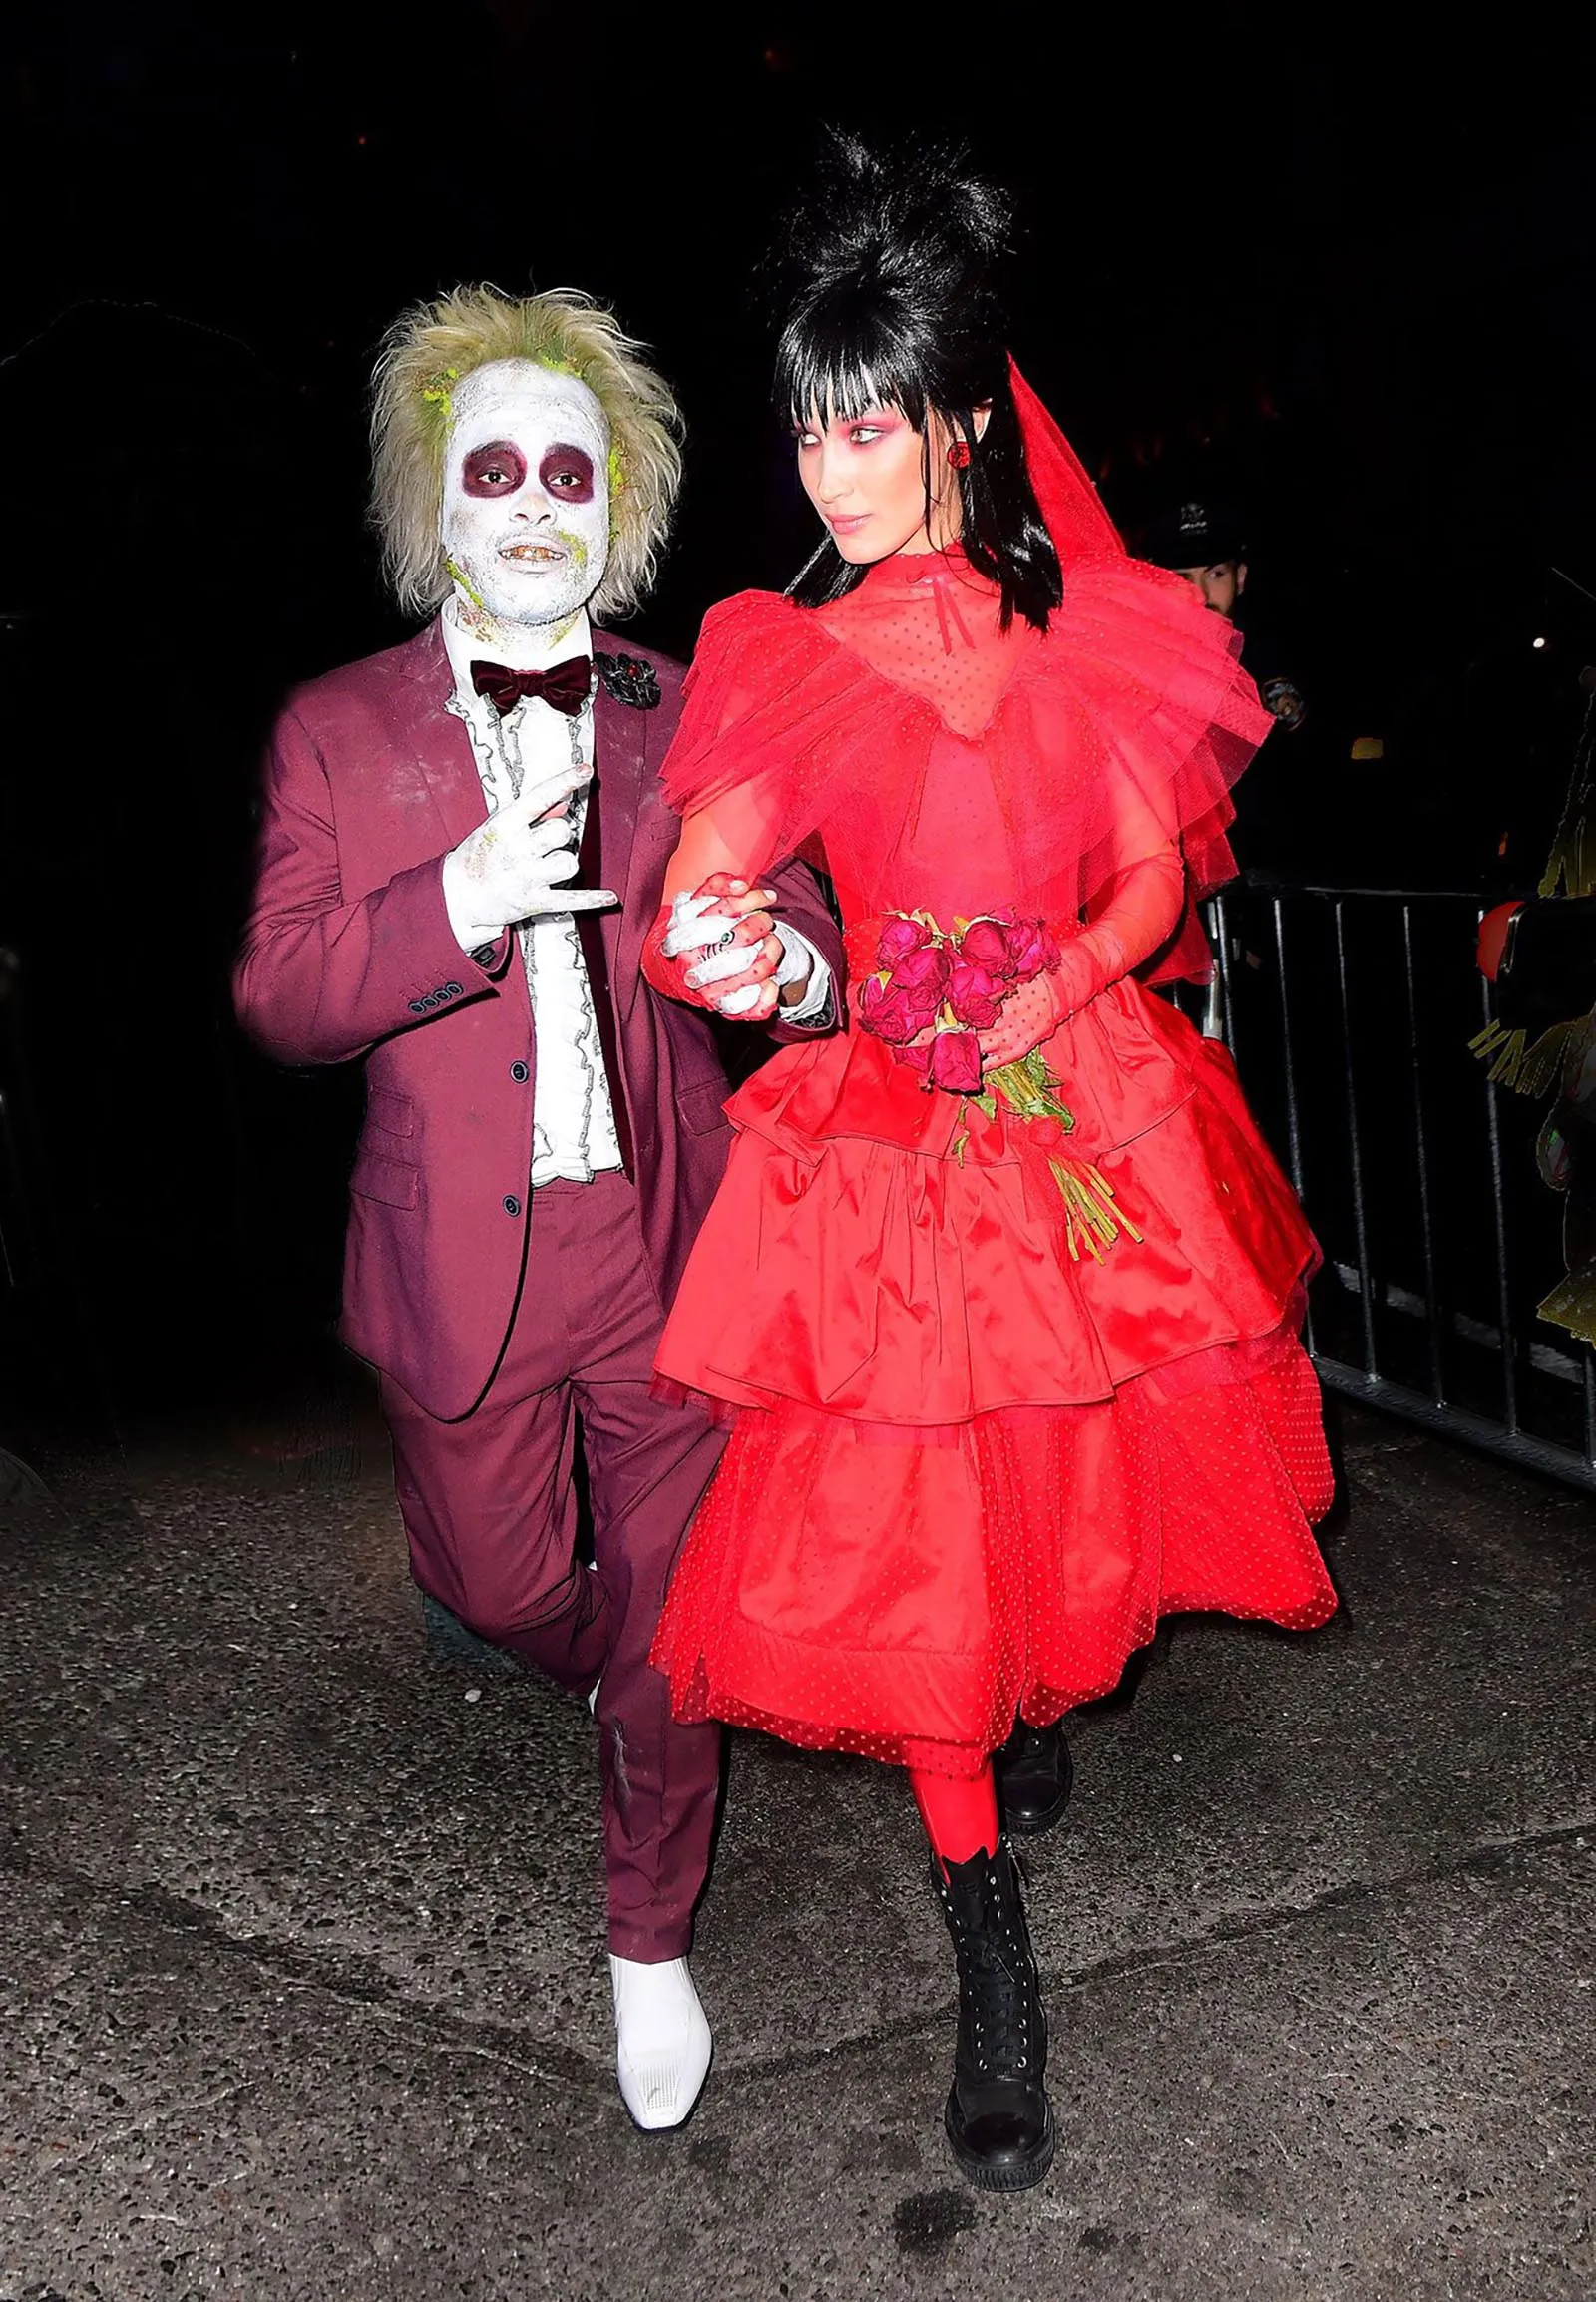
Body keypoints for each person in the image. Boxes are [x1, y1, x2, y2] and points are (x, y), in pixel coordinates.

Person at [641, 138, 1337, 2192]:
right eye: (805, 427)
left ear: (958, 418)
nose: (829, 470)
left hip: (1071, 1104)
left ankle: (1020, 1720)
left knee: (1058, 1469)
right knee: (918, 1539)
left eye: (864, 423)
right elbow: (700, 896)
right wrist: (732, 949)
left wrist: (1059, 986)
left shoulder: (1087, 630)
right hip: (885, 1144)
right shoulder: (788, 652)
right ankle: (989, 1957)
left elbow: (1145, 880)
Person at [233, 286, 842, 2130]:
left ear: (618, 503)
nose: (528, 504)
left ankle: (650, 1934)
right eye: (489, 470)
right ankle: (608, 1672)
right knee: (498, 1589)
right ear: (433, 497)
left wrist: (794, 973)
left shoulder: (689, 704)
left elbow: (803, 902)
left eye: (566, 474)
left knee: (672, 1619)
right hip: (457, 1268)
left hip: (668, 1246)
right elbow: (281, 993)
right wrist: (459, 896)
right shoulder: (337, 729)